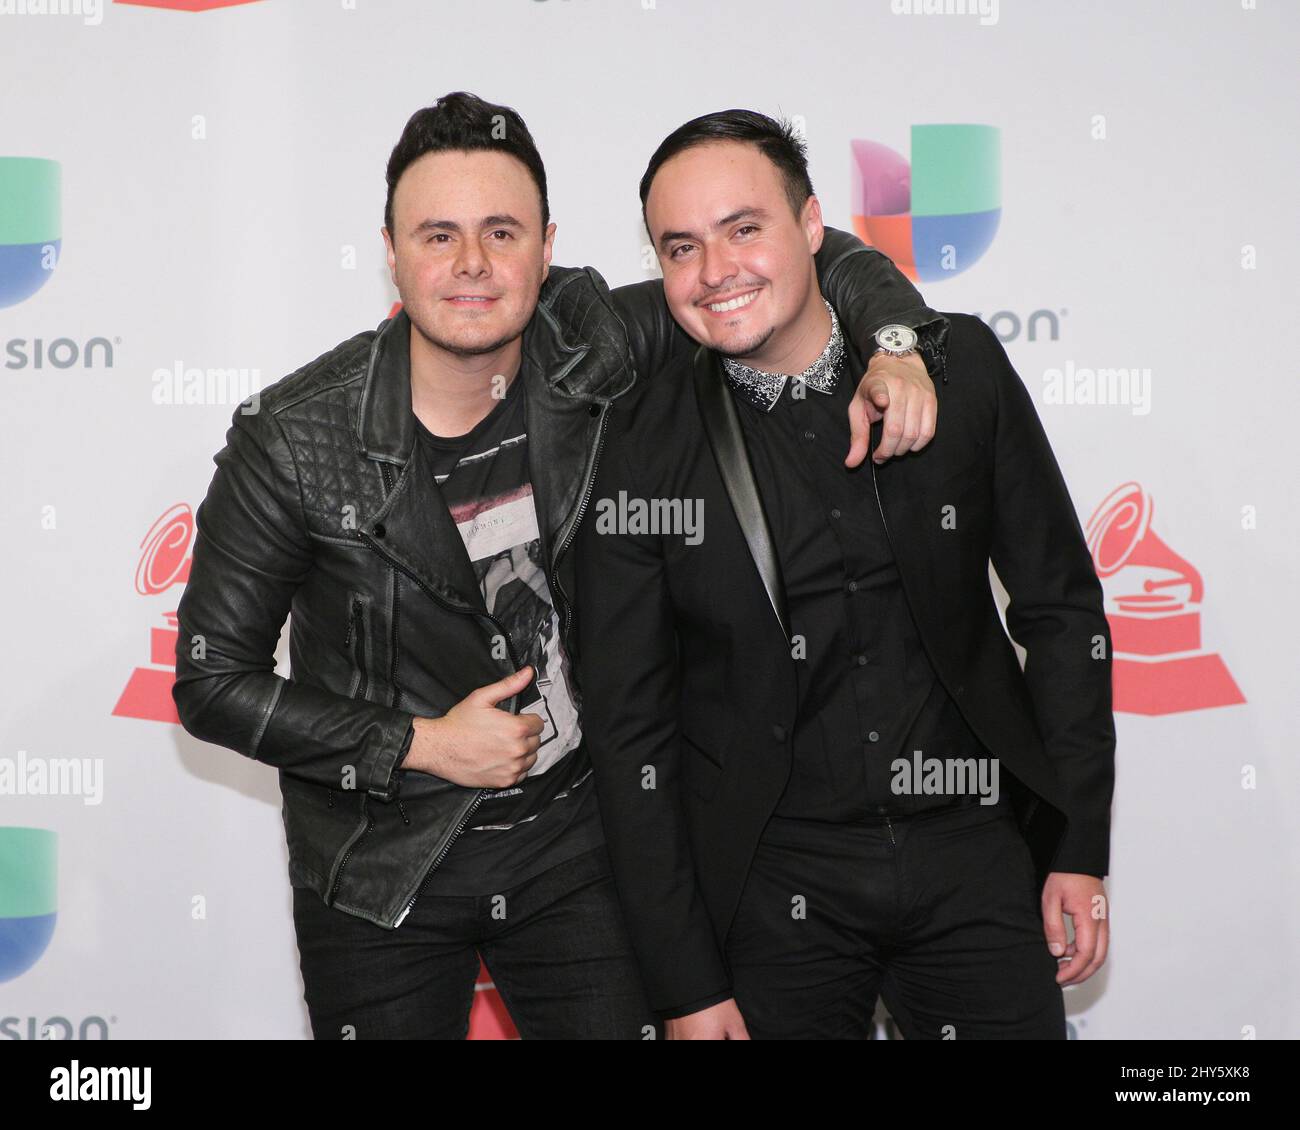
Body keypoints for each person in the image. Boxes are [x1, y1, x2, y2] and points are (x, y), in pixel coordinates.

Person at [171, 92, 950, 1039]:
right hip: (381, 867)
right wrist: (418, 743)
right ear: (390, 250)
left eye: (501, 232)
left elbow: (812, 257)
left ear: (547, 247)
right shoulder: (295, 438)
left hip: (578, 846)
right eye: (438, 234)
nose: (470, 264)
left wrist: (899, 347)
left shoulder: (592, 339)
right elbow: (213, 682)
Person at [575, 109, 1115, 1040]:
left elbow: (1063, 612)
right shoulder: (635, 448)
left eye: (745, 229)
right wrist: (686, 987)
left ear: (814, 228)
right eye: (681, 247)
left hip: (972, 852)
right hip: (772, 879)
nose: (716, 272)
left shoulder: (960, 370)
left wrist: (1076, 845)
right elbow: (631, 734)